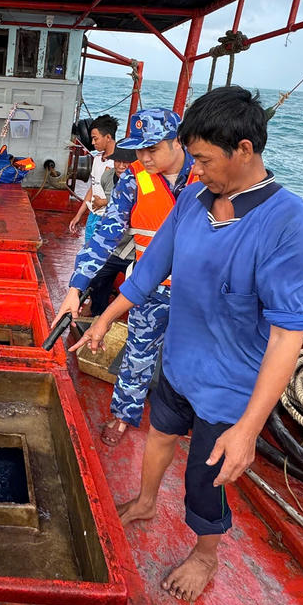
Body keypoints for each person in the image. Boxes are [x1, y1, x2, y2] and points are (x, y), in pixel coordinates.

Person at [71, 86, 303, 602]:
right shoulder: (193, 198)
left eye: (204, 160)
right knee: (159, 434)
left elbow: (286, 336)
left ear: (244, 150)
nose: (197, 170)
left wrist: (249, 429)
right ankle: (145, 501)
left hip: (229, 386)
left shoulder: (288, 223)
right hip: (179, 363)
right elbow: (149, 270)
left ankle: (206, 554)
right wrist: (103, 321)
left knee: (205, 478)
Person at [53, 107, 193, 447]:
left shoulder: (207, 174)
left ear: (178, 141)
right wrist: (76, 288)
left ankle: (191, 420)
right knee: (137, 354)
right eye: (139, 149)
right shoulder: (134, 178)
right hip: (149, 289)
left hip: (197, 294)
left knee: (192, 359)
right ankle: (123, 415)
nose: (143, 157)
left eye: (152, 148)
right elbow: (106, 235)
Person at [86, 147, 136, 316]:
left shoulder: (142, 182)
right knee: (97, 278)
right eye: (118, 161)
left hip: (134, 250)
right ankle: (97, 314)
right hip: (113, 246)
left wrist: (105, 201)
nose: (121, 166)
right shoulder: (107, 176)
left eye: (126, 162)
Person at [68, 115, 118, 241]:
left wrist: (104, 202)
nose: (92, 143)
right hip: (93, 215)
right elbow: (93, 187)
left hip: (108, 218)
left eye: (95, 139)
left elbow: (125, 194)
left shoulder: (119, 164)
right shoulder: (97, 159)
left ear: (108, 137)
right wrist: (78, 215)